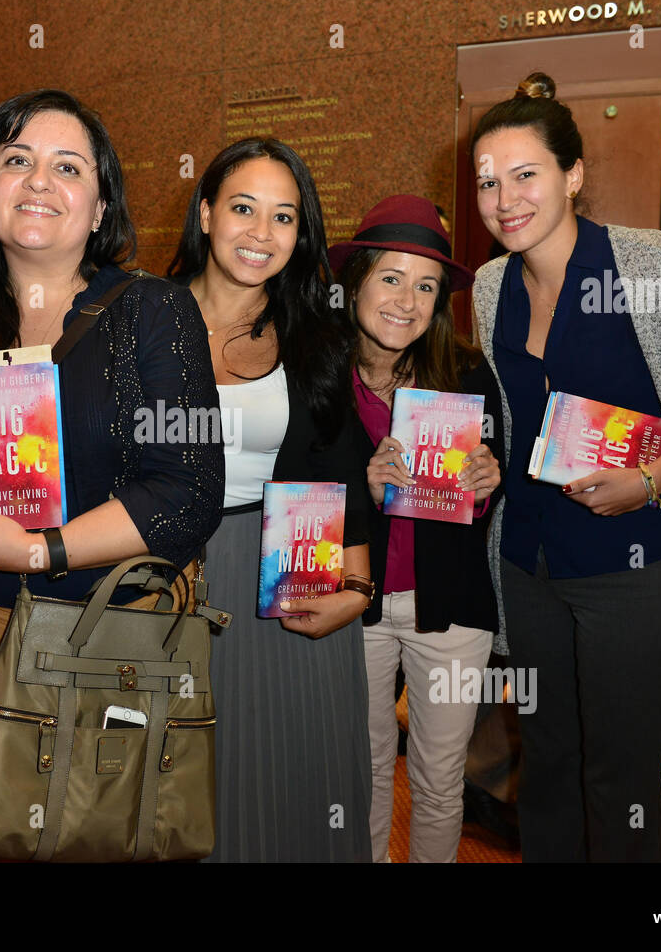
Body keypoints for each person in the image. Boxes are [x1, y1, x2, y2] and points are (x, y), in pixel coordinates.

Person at [469, 72, 661, 862]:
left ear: (573, 175)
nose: (504, 199)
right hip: (526, 567)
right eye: (488, 182)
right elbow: (510, 415)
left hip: (633, 567)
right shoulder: (491, 287)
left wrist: (656, 475)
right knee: (547, 763)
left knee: (619, 778)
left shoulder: (646, 262)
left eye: (525, 174)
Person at [0, 89, 224, 735]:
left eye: (69, 166)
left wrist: (33, 551)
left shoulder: (156, 312)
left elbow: (188, 493)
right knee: (12, 823)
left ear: (101, 206)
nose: (39, 180)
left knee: (106, 824)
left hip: (113, 632)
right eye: (17, 160)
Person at [166, 137, 374, 861]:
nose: (261, 233)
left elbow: (343, 468)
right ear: (205, 212)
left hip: (289, 576)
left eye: (283, 217)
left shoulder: (316, 336)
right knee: (184, 787)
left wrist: (357, 586)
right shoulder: (140, 319)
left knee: (300, 783)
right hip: (167, 576)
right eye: (244, 208)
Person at [332, 195, 504, 862]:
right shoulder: (322, 378)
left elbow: (496, 477)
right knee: (364, 770)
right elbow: (299, 491)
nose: (408, 299)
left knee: (438, 780)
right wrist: (367, 493)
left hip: (452, 608)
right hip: (356, 606)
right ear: (357, 283)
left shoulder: (465, 373)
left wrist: (489, 480)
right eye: (392, 277)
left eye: (426, 284)